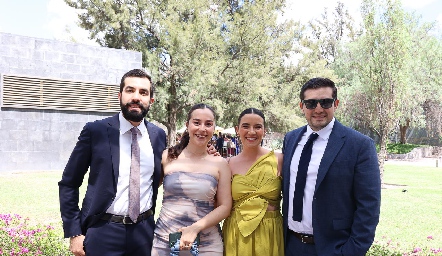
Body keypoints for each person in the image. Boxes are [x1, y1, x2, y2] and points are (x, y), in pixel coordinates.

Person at [282, 78, 381, 256]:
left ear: (336, 104)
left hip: (334, 248)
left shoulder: (359, 145)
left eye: (325, 102)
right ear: (301, 106)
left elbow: (369, 205)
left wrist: (351, 251)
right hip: (291, 245)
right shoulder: (290, 139)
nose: (318, 109)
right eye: (311, 103)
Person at [151, 103, 232, 256]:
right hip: (164, 241)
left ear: (214, 128)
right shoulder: (168, 156)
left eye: (208, 124)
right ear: (187, 125)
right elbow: (149, 189)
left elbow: (225, 206)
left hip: (207, 246)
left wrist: (195, 228)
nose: (202, 128)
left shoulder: (220, 164)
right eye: (196, 122)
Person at [222, 108, 284, 256]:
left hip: (270, 233)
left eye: (257, 127)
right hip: (237, 234)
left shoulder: (279, 159)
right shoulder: (227, 164)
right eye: (245, 126)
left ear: (264, 130)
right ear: (237, 129)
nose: (251, 132)